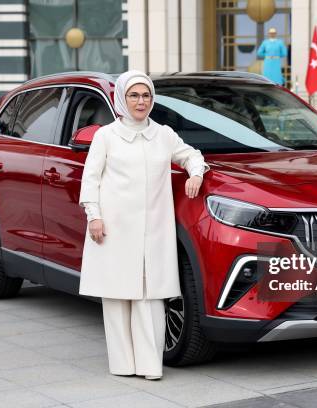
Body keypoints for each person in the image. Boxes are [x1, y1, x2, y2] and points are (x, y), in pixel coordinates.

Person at [78, 70, 209, 380]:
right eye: (134, 95)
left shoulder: (163, 134)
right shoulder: (106, 135)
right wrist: (93, 216)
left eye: (146, 95)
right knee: (117, 297)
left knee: (151, 297)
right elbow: (91, 179)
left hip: (154, 230)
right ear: (122, 99)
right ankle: (123, 365)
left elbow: (191, 155)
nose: (141, 101)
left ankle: (150, 366)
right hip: (114, 227)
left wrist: (196, 173)